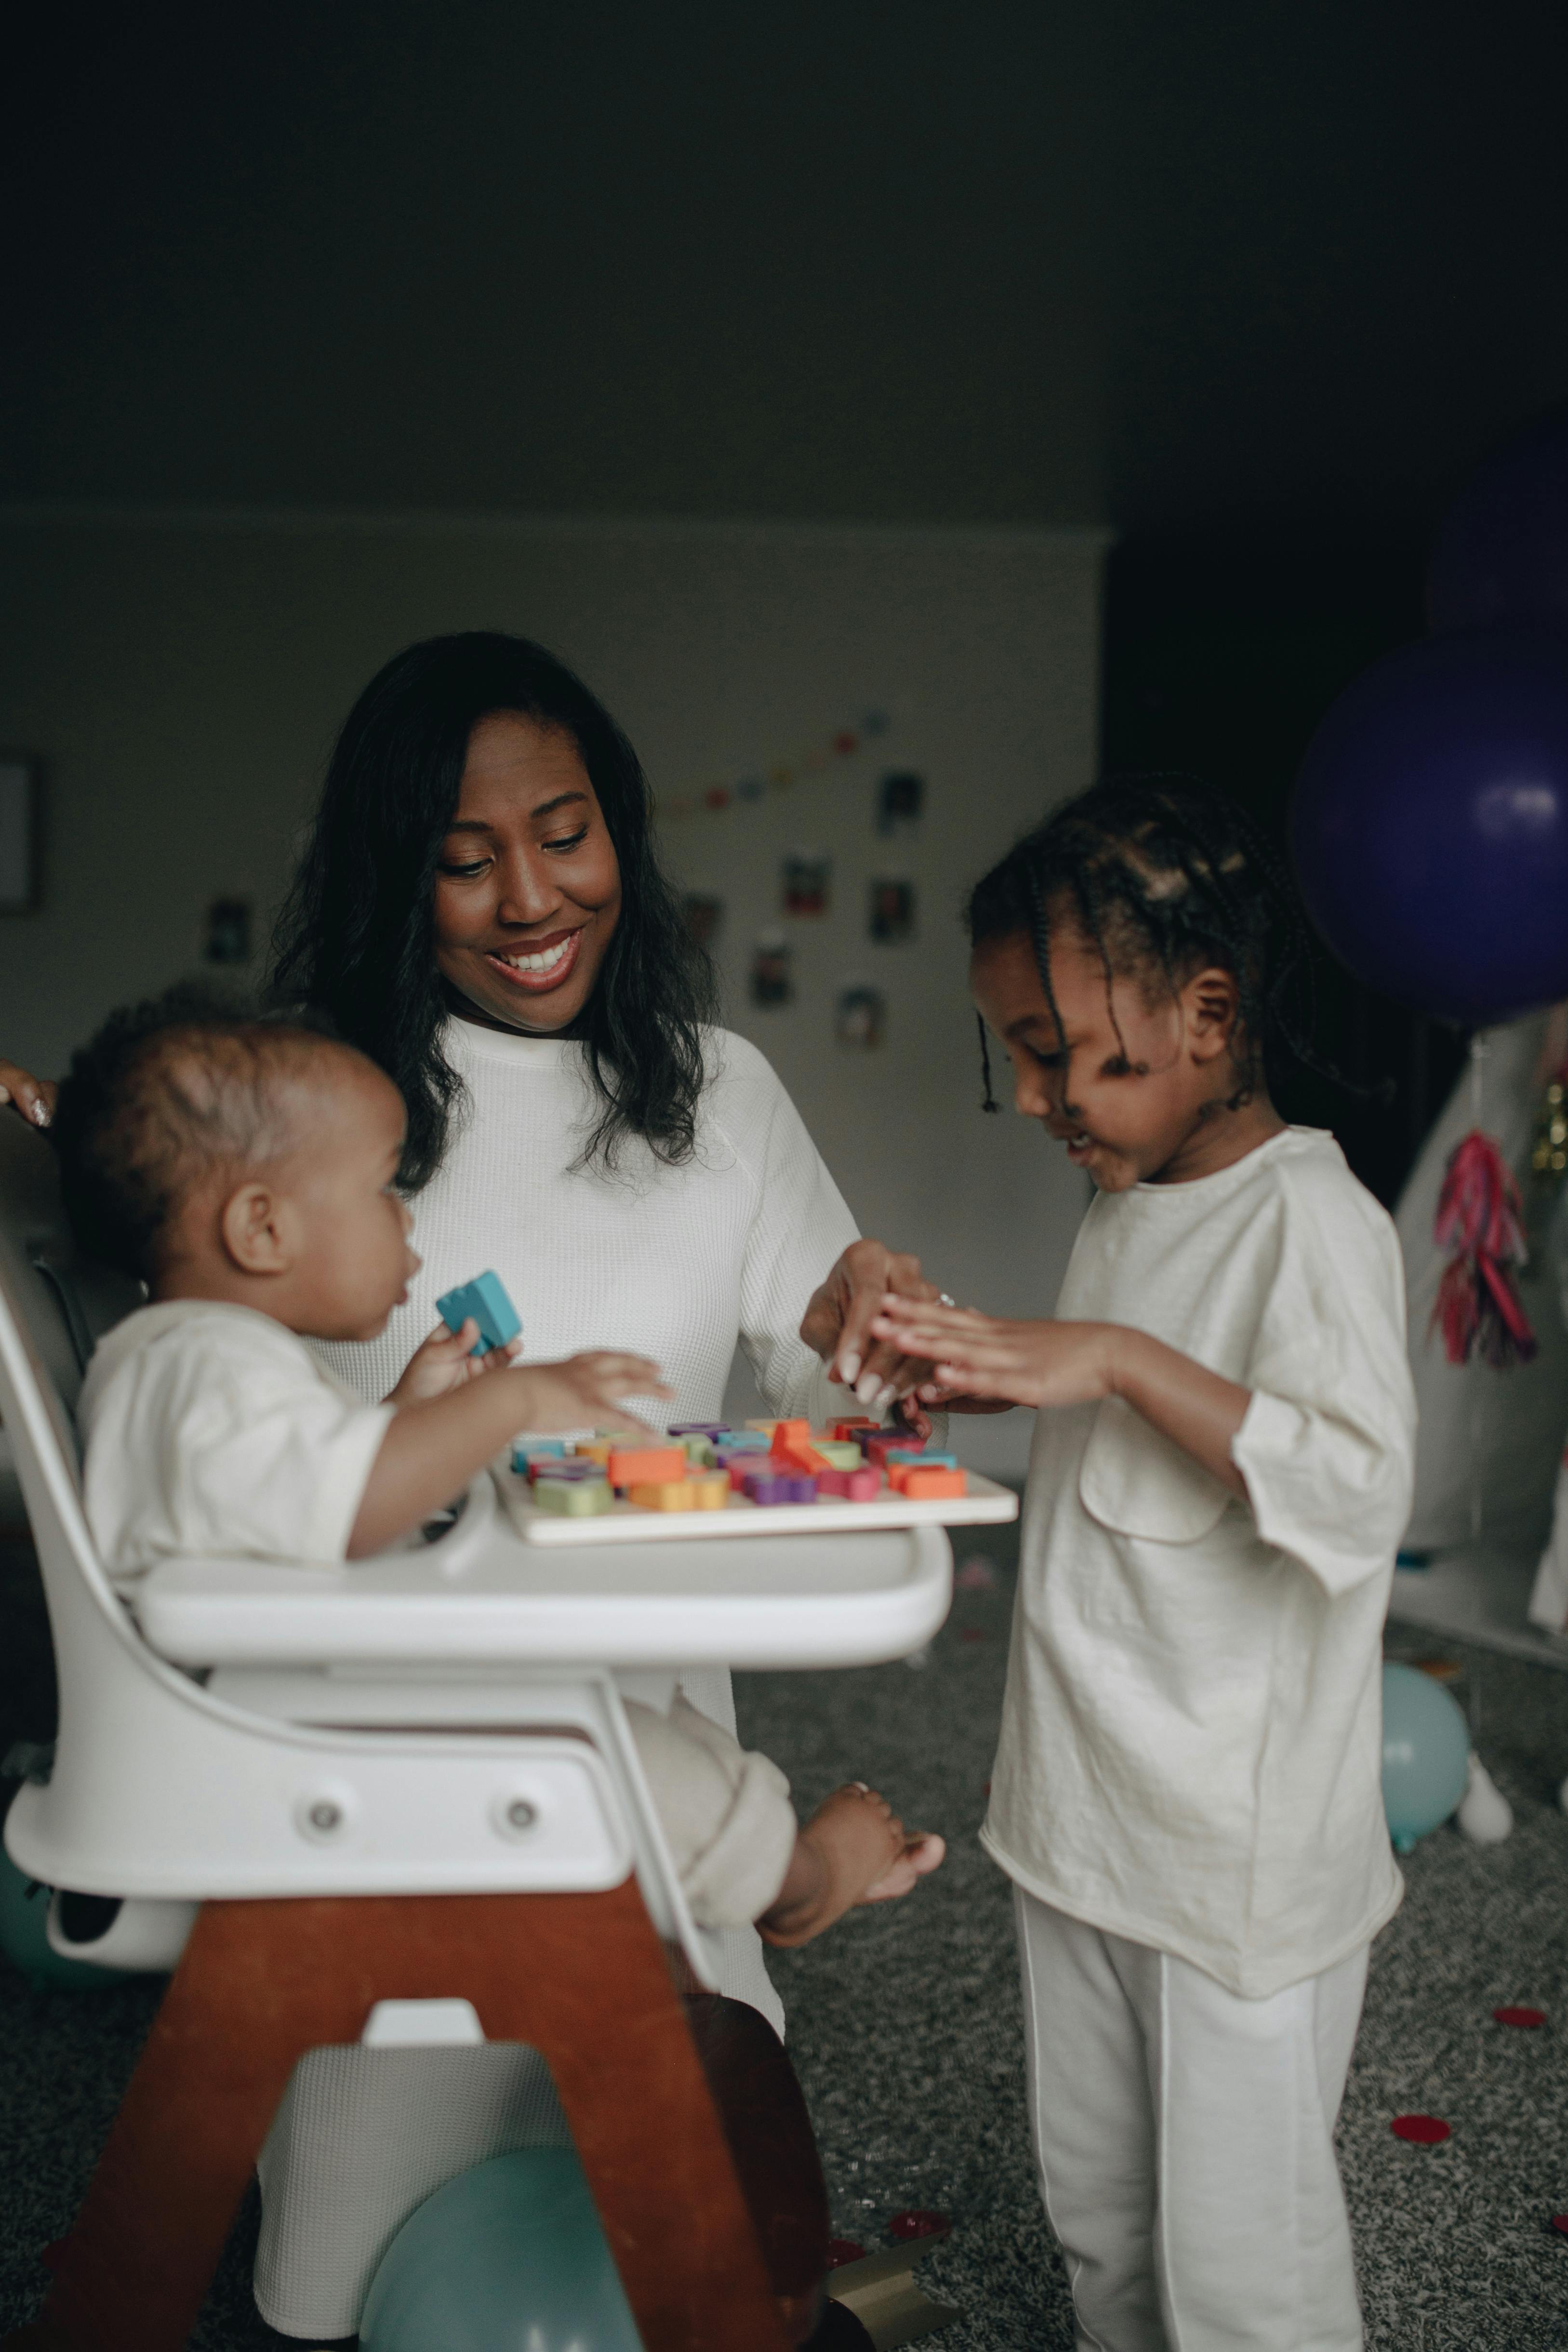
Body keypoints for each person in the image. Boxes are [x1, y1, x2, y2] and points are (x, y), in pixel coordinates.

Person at [0, 629, 941, 2025]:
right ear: (401, 875)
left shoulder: (723, 1096)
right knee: (379, 2157)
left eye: (566, 837)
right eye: (463, 859)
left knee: (682, 2125)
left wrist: (870, 1342)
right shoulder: (309, 1105)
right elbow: (184, 1337)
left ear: (616, 832)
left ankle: (750, 1878)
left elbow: (846, 1412)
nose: (527, 898)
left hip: (630, 1737)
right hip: (376, 1757)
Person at [869, 778, 1415, 2352]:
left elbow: (1351, 1488)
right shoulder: (1129, 1197)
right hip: (1081, 1822)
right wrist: (990, 1374)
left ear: (1205, 1010)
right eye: (1015, 1059)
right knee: (1100, 2219)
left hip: (1228, 1868)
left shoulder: (1309, 1219)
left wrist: (1104, 1357)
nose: (1036, 1097)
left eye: (1050, 1049)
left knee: (1239, 2267)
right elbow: (1116, 1437)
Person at [58, 990, 944, 1949]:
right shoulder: (202, 1369)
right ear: (261, 1229)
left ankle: (749, 1835)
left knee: (624, 1695)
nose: (408, 1226)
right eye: (381, 1191)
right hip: (283, 1747)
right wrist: (509, 1404)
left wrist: (410, 1414)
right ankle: (797, 1881)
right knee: (597, 1748)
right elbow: (347, 1511)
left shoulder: (199, 1362)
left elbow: (286, 1513)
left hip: (296, 1704)